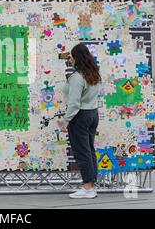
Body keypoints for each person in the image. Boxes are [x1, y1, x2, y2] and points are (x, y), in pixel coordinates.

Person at [57, 43, 101, 199]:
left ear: (77, 58)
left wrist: (65, 120)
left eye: (71, 56)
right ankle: (91, 186)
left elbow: (74, 103)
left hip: (80, 116)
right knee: (89, 151)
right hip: (92, 114)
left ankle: (87, 188)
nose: (70, 59)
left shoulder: (77, 77)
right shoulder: (94, 74)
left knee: (82, 152)